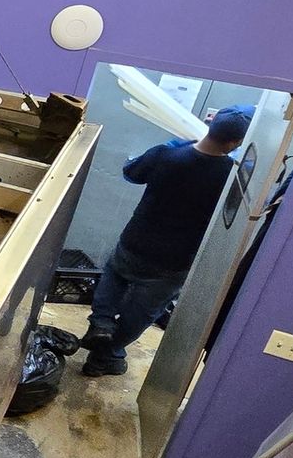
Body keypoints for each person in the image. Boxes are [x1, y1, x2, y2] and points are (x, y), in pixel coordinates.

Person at [80, 105, 254, 376]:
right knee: (143, 312)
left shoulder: (167, 154)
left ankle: (101, 323)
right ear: (235, 143)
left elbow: (131, 173)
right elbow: (237, 214)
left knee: (114, 276)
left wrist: (178, 144)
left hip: (136, 240)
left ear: (210, 125)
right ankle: (104, 357)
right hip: (175, 260)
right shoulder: (231, 176)